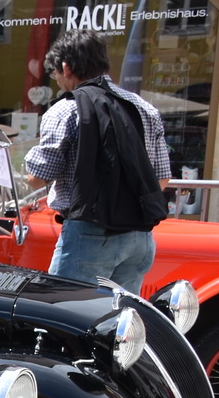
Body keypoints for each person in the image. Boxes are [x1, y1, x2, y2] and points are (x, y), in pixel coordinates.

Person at [25, 28, 170, 289]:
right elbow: (161, 178)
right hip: (140, 235)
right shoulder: (144, 108)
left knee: (64, 313)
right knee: (118, 321)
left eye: (55, 73)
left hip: (88, 235)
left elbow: (37, 179)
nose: (57, 80)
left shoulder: (65, 110)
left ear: (66, 68)